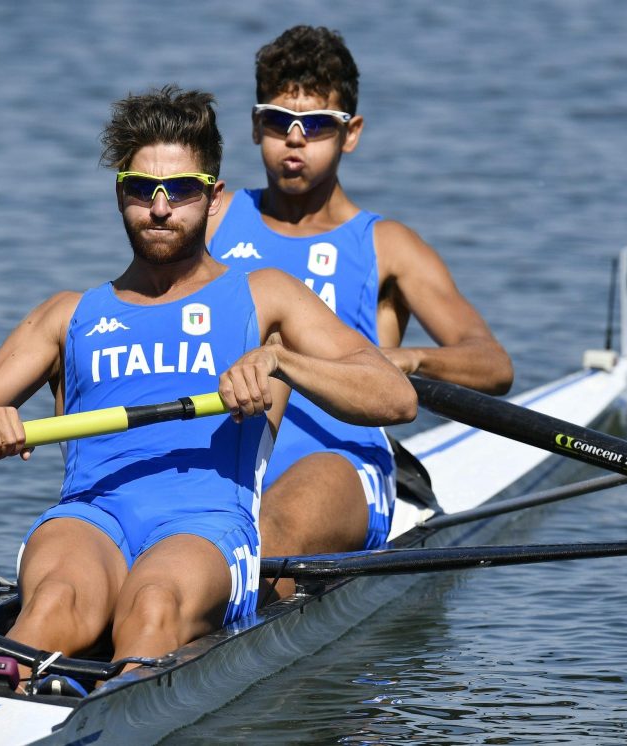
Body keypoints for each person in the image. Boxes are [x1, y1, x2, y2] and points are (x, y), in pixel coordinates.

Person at [0, 86, 416, 687]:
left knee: (153, 605)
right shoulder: (67, 314)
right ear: (119, 194)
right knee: (52, 602)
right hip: (89, 516)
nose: (160, 208)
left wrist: (282, 364)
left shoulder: (266, 296)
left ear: (211, 197)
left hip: (206, 525)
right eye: (142, 189)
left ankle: (112, 699)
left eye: (181, 190)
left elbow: (394, 396)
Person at [208, 26, 514, 599]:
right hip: (228, 448)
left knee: (263, 546)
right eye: (278, 120)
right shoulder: (214, 216)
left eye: (318, 125)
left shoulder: (387, 246)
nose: (294, 141)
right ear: (254, 126)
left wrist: (409, 358)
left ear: (351, 134)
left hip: (339, 460)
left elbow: (493, 364)